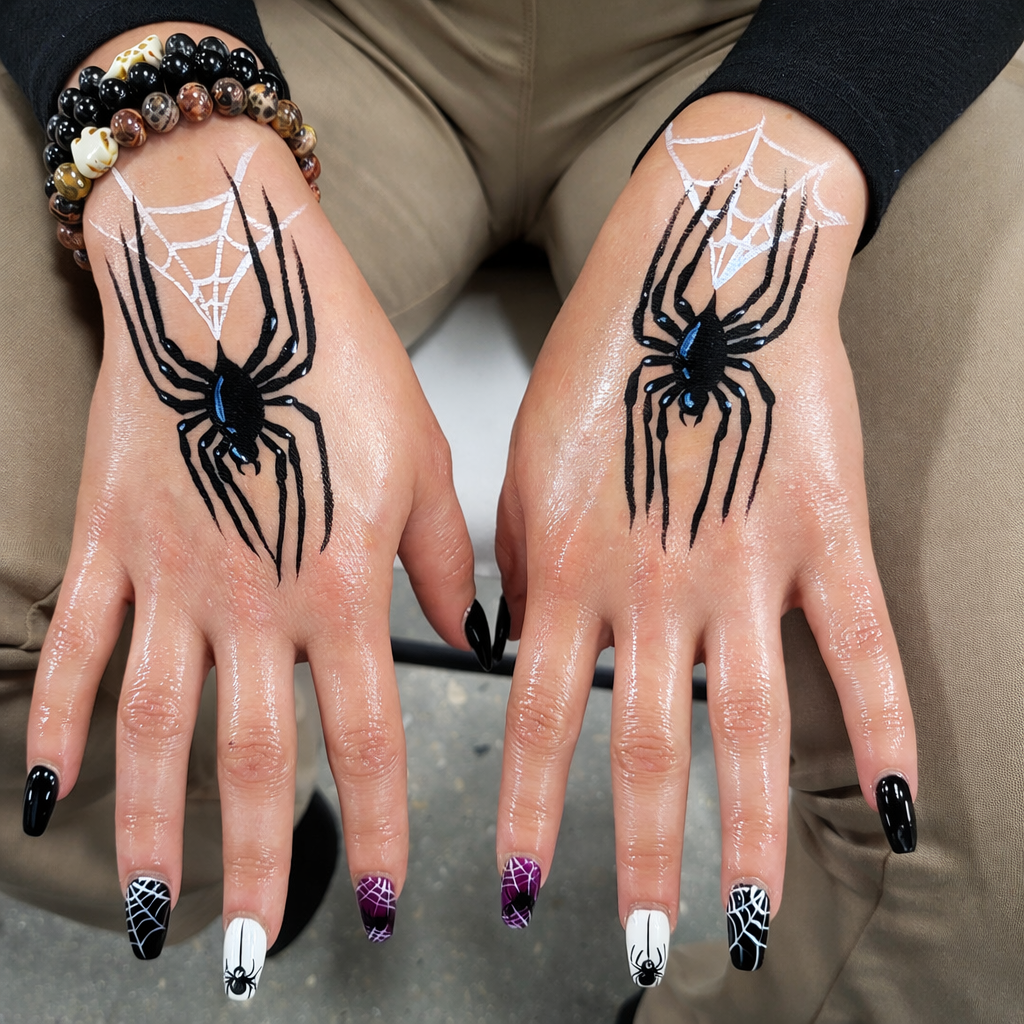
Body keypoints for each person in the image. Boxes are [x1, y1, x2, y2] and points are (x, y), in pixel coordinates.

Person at [0, 1, 1021, 1019]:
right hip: (296, 29)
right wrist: (147, 87)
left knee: (994, 848)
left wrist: (818, 112)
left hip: (791, 39)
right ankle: (227, 843)